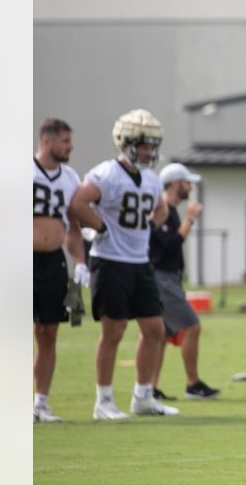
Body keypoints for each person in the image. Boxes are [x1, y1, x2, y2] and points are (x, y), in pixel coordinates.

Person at [69, 110, 175, 419]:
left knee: (155, 330)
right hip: (111, 261)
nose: (149, 152)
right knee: (113, 331)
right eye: (144, 145)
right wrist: (100, 227)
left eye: (153, 146)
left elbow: (161, 210)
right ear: (126, 143)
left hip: (139, 262)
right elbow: (78, 203)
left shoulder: (152, 179)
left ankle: (142, 396)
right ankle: (103, 400)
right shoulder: (106, 173)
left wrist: (148, 229)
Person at [147, 162, 220, 400]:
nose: (190, 187)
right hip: (161, 278)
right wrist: (189, 220)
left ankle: (150, 388)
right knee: (192, 325)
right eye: (187, 182)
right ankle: (192, 383)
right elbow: (168, 245)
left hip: (168, 278)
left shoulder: (170, 210)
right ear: (176, 183)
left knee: (161, 335)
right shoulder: (163, 210)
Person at [33, 119, 88, 422]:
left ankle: (40, 403)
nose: (70, 147)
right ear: (46, 142)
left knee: (48, 331)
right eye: (65, 141)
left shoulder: (70, 178)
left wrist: (80, 261)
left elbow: (74, 227)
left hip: (53, 261)